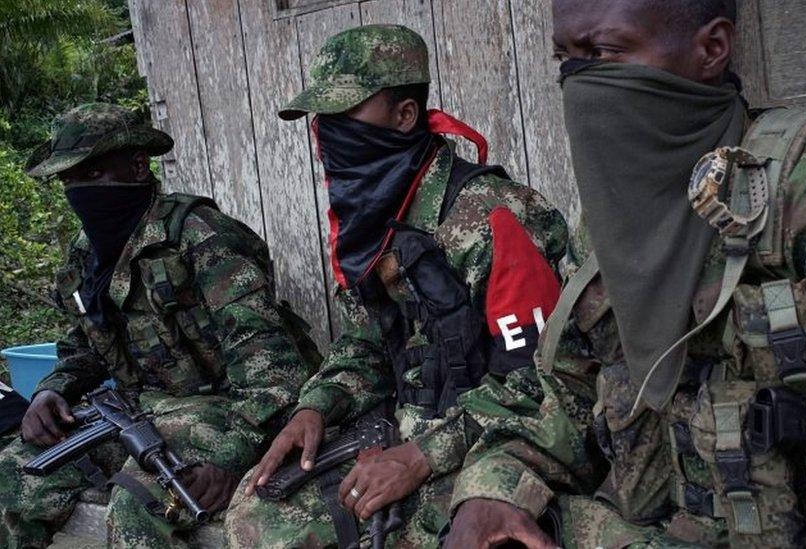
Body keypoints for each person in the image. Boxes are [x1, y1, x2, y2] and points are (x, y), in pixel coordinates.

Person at [446, 0, 806, 547]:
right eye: (567, 58)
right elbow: (566, 393)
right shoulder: (609, 222)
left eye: (605, 52)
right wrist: (493, 489)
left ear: (711, 50)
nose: (582, 85)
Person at [224, 24, 569, 549]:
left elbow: (546, 382)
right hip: (401, 428)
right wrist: (316, 405)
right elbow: (366, 342)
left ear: (405, 115)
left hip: (494, 445)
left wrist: (421, 456)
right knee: (259, 506)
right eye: (322, 119)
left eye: (344, 116)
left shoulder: (490, 217)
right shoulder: (374, 215)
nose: (325, 133)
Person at [0, 102, 320, 548]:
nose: (79, 191)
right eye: (68, 180)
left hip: (231, 409)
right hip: (139, 411)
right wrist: (52, 390)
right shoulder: (85, 254)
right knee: (11, 474)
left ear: (137, 166)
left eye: (92, 175)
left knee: (141, 502)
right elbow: (85, 345)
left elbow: (276, 374)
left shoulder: (200, 235)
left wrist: (234, 455)